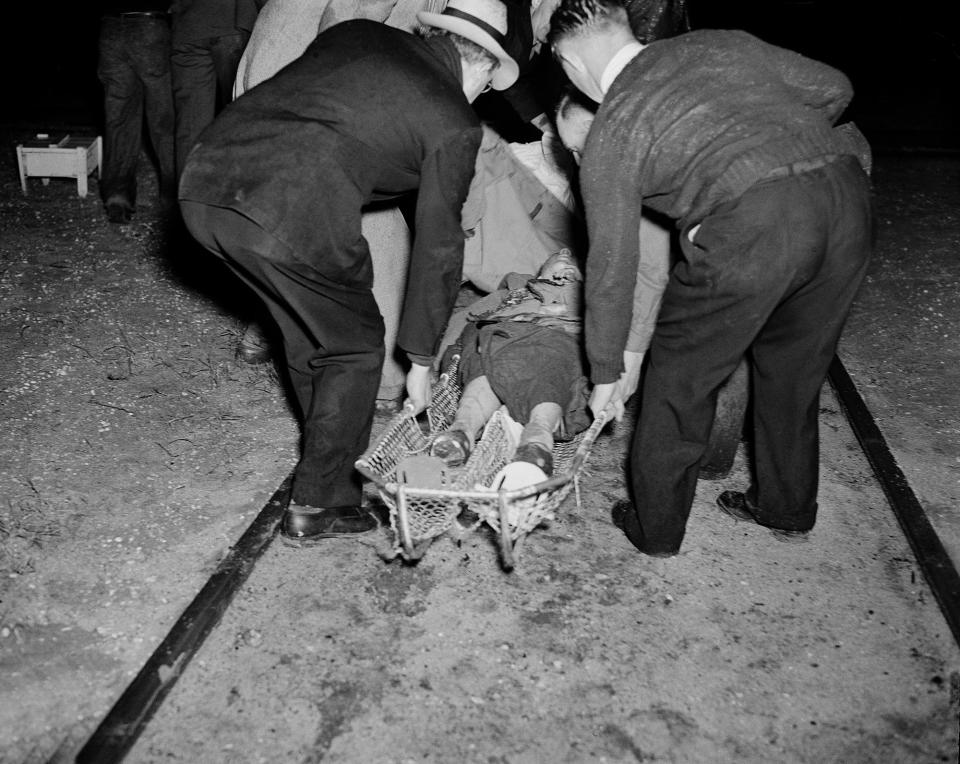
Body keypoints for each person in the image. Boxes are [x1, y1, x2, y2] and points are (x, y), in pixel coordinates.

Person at [178, 0, 519, 544]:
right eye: (488, 84)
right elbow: (439, 245)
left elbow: (318, 113)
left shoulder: (360, 34)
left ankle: (324, 447)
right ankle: (322, 502)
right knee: (357, 347)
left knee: (306, 331)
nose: (482, 96)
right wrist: (421, 358)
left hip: (204, 186)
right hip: (286, 208)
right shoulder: (454, 119)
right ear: (481, 66)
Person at [547, 0, 873, 555]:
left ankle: (656, 527)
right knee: (794, 369)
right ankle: (786, 506)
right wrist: (780, 143)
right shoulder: (720, 44)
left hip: (752, 223)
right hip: (845, 198)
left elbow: (610, 268)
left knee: (679, 381)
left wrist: (606, 370)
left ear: (570, 64)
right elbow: (835, 88)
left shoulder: (616, 126)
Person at [430, 248, 591, 477]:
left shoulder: (590, 299)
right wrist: (440, 358)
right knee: (482, 368)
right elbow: (467, 321)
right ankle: (462, 430)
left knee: (550, 370)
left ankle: (537, 438)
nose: (566, 257)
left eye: (575, 263)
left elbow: (607, 333)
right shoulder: (511, 294)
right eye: (560, 254)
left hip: (556, 337)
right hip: (499, 335)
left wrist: (569, 299)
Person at [97, 0, 177, 223]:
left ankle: (117, 197)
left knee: (119, 118)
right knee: (164, 121)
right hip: (149, 24)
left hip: (110, 27)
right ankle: (172, 199)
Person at [170, 0, 265, 178]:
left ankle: (189, 198)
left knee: (190, 124)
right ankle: (235, 195)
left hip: (188, 27)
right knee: (239, 117)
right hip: (231, 23)